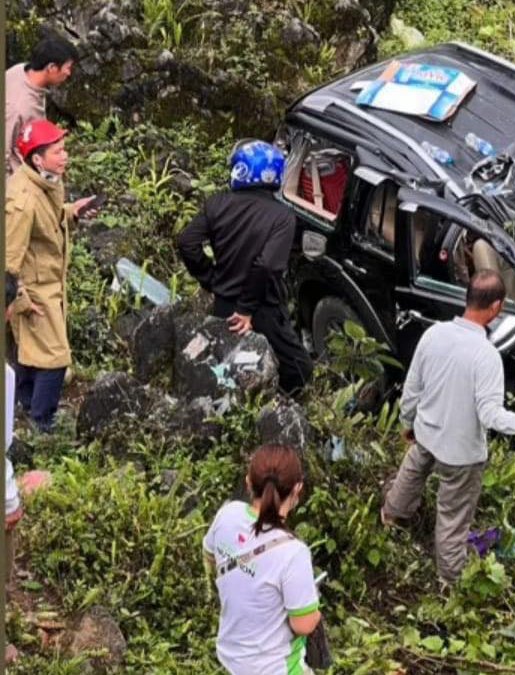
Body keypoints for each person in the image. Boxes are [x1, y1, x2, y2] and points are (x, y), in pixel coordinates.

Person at [381, 271, 515, 583]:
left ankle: (391, 517)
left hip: (427, 431)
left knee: (412, 471)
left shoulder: (434, 334)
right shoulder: (486, 355)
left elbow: (412, 387)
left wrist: (407, 422)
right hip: (460, 454)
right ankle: (450, 581)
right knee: (452, 516)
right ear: (496, 307)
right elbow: (491, 415)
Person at [177, 140, 314, 396]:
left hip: (224, 305)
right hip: (263, 309)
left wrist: (211, 279)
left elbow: (187, 242)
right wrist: (246, 309)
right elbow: (268, 265)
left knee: (225, 368)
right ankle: (276, 406)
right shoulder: (282, 216)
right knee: (300, 370)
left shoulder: (216, 204)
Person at [5, 119, 98, 431]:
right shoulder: (23, 201)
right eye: (58, 151)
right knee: (55, 357)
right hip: (33, 288)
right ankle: (42, 425)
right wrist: (19, 299)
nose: (65, 156)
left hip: (49, 281)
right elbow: (9, 259)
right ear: (36, 159)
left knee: (31, 352)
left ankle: (26, 408)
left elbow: (52, 217)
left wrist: (72, 211)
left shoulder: (47, 181)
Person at [203, 445, 321, 675]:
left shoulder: (227, 514)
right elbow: (304, 624)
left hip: (231, 655)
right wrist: (315, 607)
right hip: (276, 668)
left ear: (248, 483)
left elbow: (209, 555)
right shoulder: (293, 552)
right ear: (297, 490)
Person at [5, 35, 79, 175]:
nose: (69, 73)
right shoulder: (20, 107)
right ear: (51, 67)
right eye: (67, 68)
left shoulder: (20, 70)